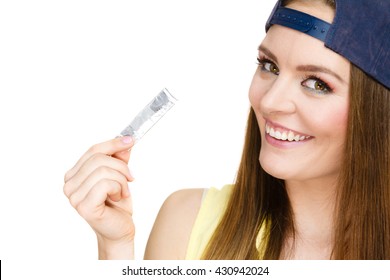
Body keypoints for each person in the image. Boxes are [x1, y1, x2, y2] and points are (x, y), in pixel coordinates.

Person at [63, 0, 390, 260]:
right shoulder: (187, 223)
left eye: (317, 83)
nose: (272, 101)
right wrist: (115, 247)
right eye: (269, 66)